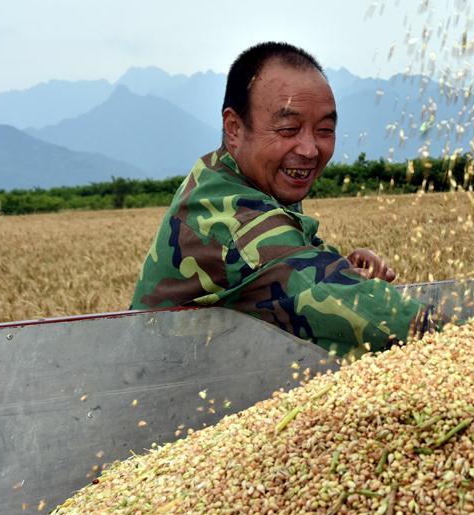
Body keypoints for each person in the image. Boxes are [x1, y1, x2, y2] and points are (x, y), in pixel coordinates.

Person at [131, 42, 435, 358]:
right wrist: (459, 340)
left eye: (324, 129)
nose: (309, 149)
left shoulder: (243, 174)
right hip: (161, 382)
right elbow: (340, 299)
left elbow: (290, 263)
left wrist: (341, 266)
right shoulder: (231, 219)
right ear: (234, 129)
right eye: (289, 129)